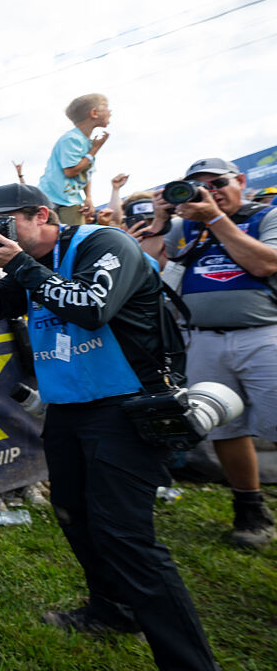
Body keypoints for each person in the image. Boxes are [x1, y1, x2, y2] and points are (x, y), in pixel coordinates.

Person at [0, 182, 218, 671]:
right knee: (74, 516)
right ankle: (112, 610)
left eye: (6, 221)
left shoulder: (104, 243)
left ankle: (190, 663)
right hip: (68, 408)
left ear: (42, 214)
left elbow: (90, 306)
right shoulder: (32, 261)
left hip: (125, 404)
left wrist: (17, 261)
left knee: (125, 535)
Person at [140, 158, 277, 548]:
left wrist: (216, 219)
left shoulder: (266, 217)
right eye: (198, 186)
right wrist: (160, 223)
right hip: (202, 339)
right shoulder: (184, 228)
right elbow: (146, 269)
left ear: (241, 181)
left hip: (263, 334)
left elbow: (265, 263)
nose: (209, 192)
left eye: (217, 183)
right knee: (226, 427)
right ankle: (249, 508)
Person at [37, 93, 112, 225]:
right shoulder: (72, 139)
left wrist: (88, 198)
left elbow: (86, 173)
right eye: (106, 107)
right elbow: (70, 171)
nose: (110, 111)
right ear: (94, 113)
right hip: (53, 200)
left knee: (77, 234)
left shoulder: (87, 142)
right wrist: (94, 150)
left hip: (70, 199)